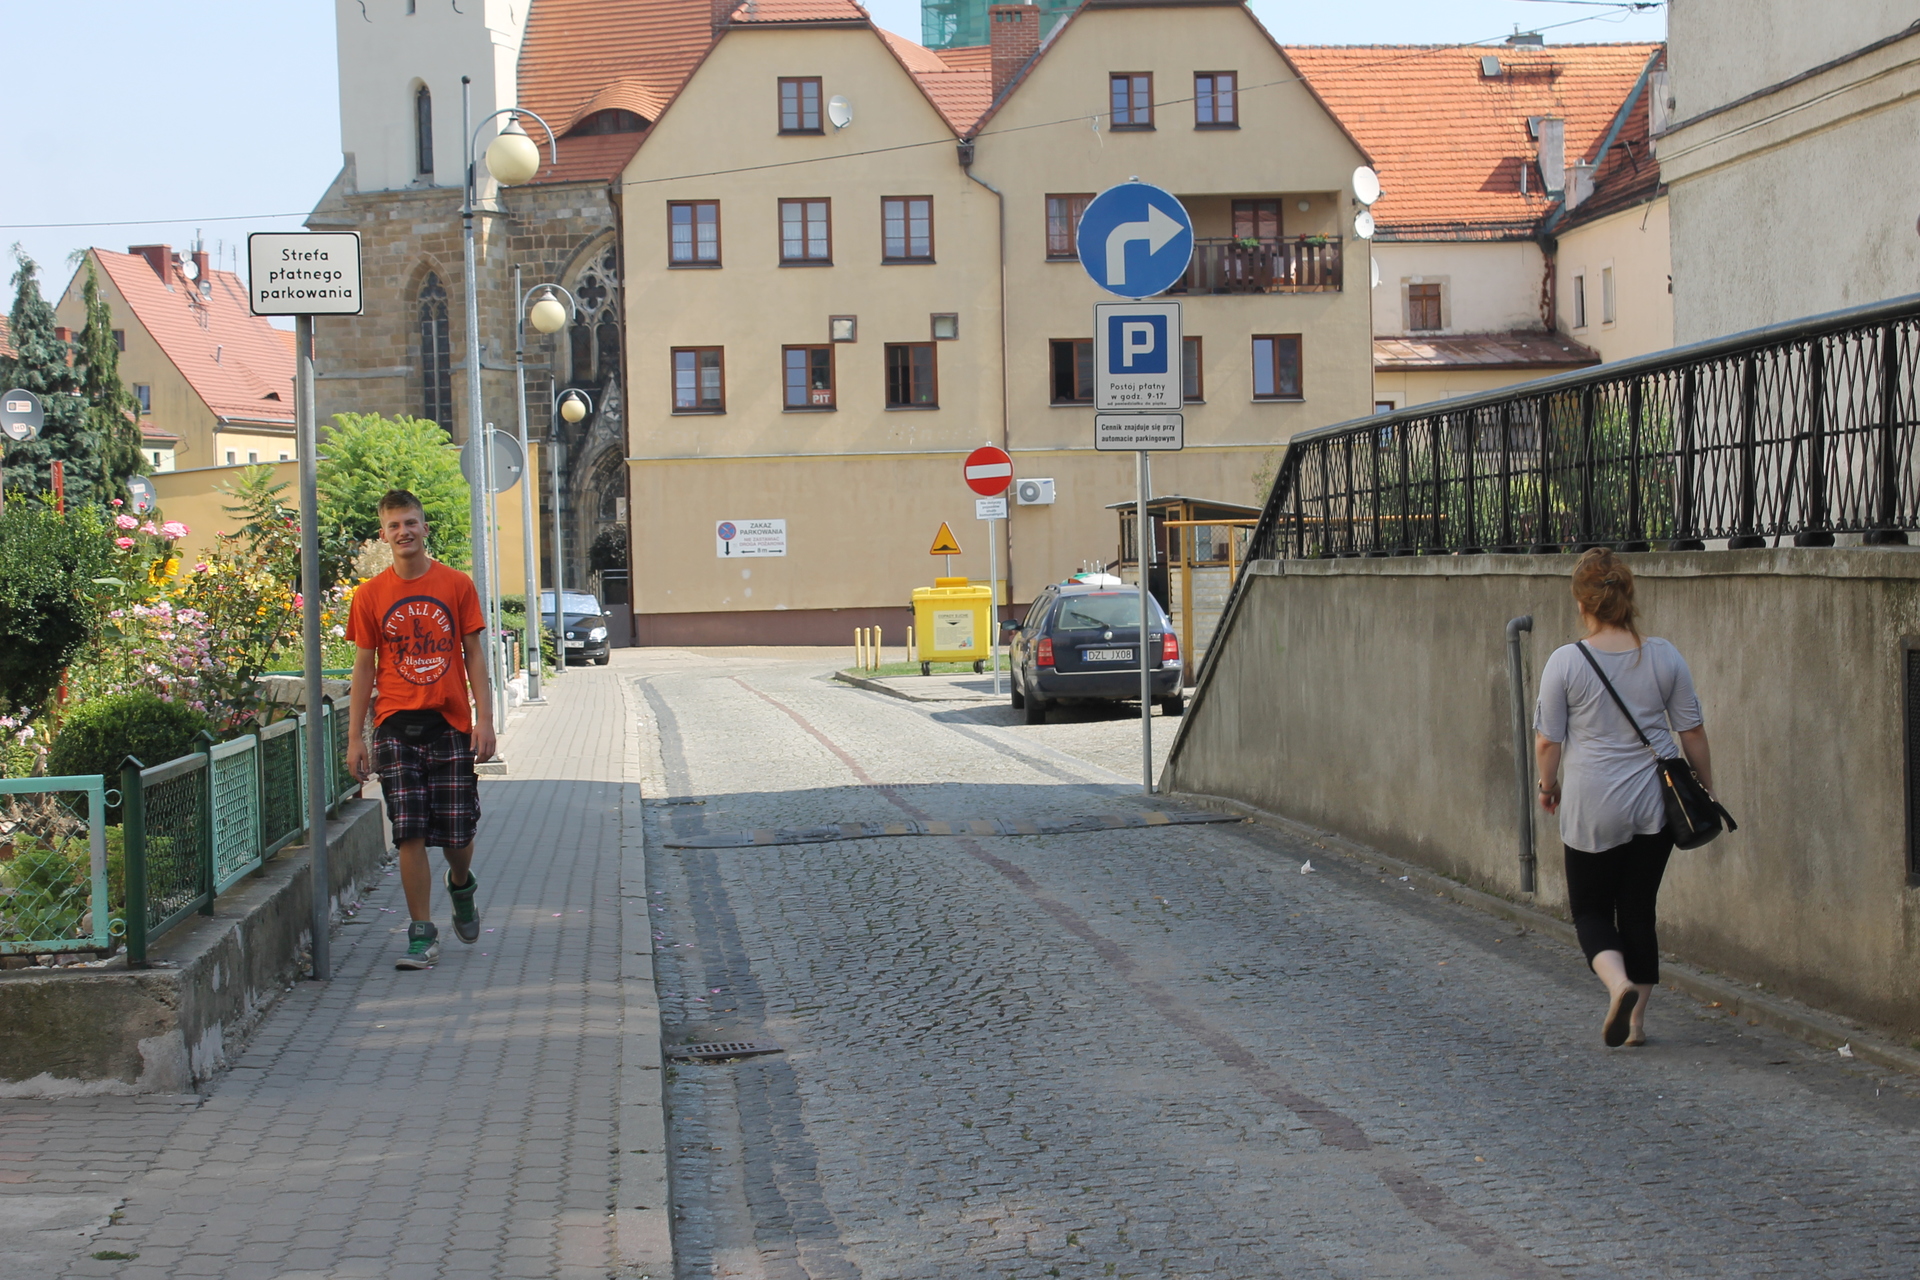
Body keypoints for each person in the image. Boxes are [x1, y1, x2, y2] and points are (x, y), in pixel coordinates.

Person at [1534, 548, 1715, 1047]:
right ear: (1628, 596)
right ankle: (1636, 1025)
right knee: (1637, 910)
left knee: (1591, 910)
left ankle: (1618, 987)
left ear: (1582, 604)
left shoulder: (1566, 662)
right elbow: (1692, 731)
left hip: (1591, 804)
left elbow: (1548, 740)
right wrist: (1705, 786)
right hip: (1653, 804)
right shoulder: (1664, 655)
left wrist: (1547, 788)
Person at [345, 489, 496, 970]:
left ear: (424, 528)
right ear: (384, 534)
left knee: (455, 834)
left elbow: (474, 655)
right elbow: (363, 669)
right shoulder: (369, 596)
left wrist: (485, 720)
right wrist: (356, 737)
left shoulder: (456, 585)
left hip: (449, 722)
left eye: (411, 523)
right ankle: (421, 932)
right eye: (394, 526)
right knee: (407, 830)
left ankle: (461, 884)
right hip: (393, 725)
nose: (403, 532)